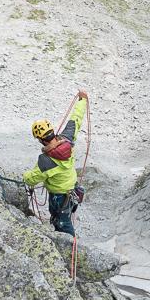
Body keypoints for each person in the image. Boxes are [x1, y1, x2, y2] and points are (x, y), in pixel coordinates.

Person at [23, 91, 88, 236]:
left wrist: (24, 176)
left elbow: (31, 179)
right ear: (52, 131)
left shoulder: (45, 161)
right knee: (64, 217)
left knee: (62, 224)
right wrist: (82, 100)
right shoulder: (67, 139)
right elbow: (75, 119)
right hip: (72, 189)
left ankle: (71, 247)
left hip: (58, 197)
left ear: (40, 139)